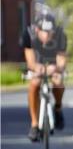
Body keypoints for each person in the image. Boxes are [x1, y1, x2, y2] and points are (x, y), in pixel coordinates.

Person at [21, 11, 68, 141]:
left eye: (50, 32)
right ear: (37, 29)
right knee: (34, 83)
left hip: (53, 63)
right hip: (37, 63)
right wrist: (37, 68)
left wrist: (57, 68)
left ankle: (58, 108)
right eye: (44, 32)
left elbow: (62, 60)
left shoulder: (60, 35)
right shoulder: (29, 34)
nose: (47, 36)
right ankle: (34, 124)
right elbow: (30, 61)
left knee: (58, 82)